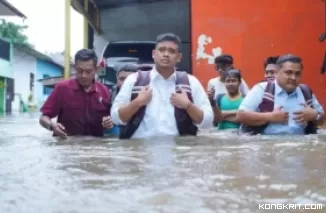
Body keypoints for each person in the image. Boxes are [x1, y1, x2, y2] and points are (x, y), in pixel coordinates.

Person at [111, 33, 213, 139]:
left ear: (179, 57)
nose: (166, 54)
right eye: (162, 50)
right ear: (154, 54)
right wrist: (137, 102)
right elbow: (116, 117)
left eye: (172, 51)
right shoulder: (134, 80)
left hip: (180, 151)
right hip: (141, 151)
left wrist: (188, 105)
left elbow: (207, 121)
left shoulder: (191, 82)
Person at [237, 54, 324, 135]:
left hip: (299, 147)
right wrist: (270, 116)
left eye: (297, 73)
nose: (293, 77)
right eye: (288, 73)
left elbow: (322, 120)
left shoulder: (305, 92)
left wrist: (315, 115)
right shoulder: (262, 89)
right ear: (276, 73)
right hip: (267, 146)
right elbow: (241, 116)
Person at [39, 49, 114, 139]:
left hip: (95, 148)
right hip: (68, 147)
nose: (83, 75)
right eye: (80, 70)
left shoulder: (104, 91)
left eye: (88, 71)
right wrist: (52, 126)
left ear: (96, 69)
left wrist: (110, 122)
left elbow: (113, 118)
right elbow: (43, 118)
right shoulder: (62, 88)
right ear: (74, 67)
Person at [105, 63, 138, 136]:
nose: (125, 83)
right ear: (116, 79)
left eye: (130, 79)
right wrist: (106, 122)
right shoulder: (108, 95)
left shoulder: (144, 94)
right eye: (122, 79)